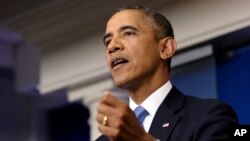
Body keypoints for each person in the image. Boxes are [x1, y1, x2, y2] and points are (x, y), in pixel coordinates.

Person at [95, 5, 238, 141]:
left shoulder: (209, 116)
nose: (112, 47)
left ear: (166, 48)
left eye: (128, 33)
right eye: (108, 41)